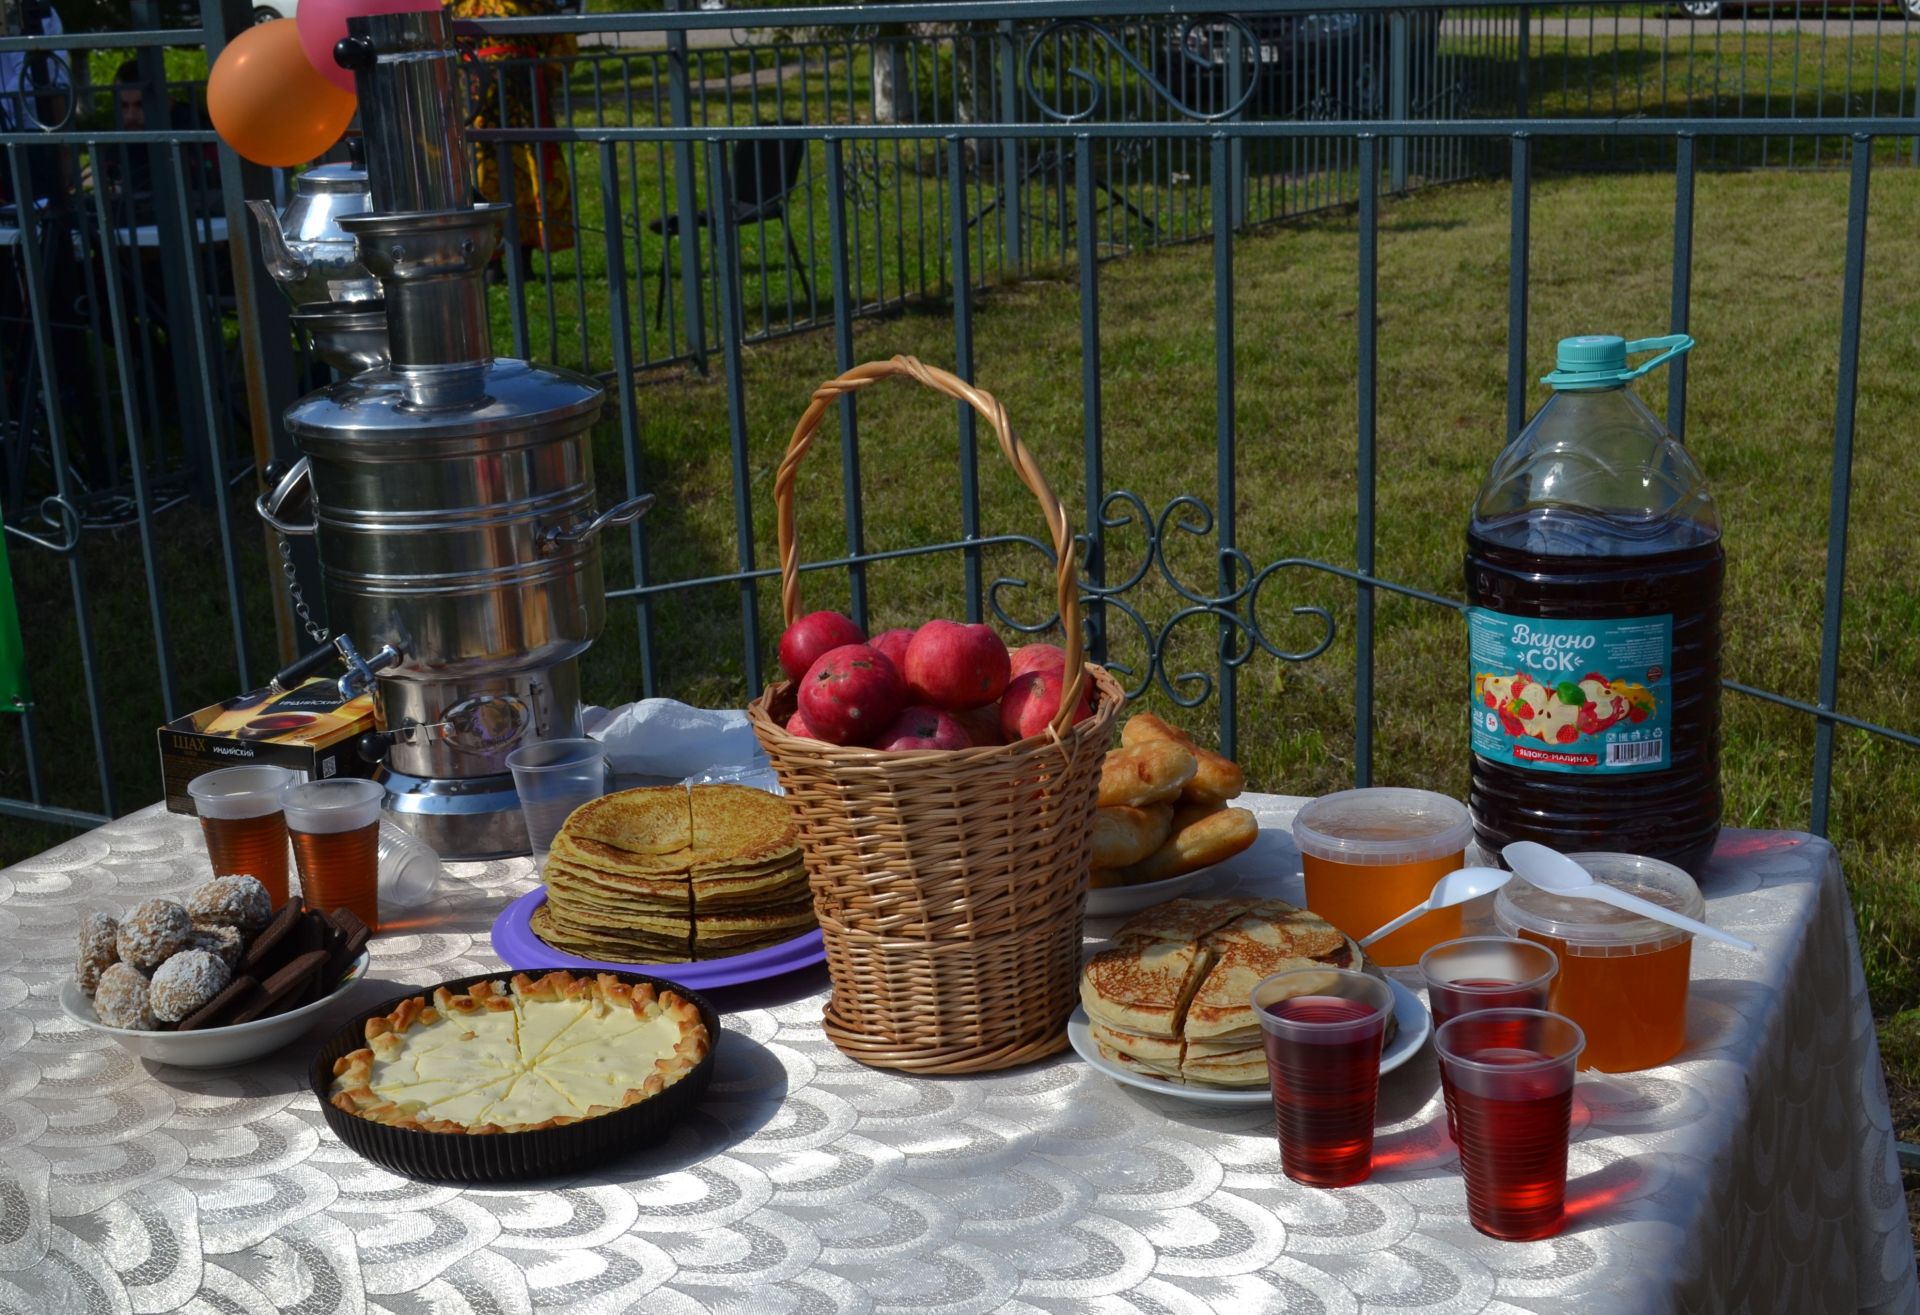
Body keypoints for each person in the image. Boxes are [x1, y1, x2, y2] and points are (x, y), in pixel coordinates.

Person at [446, 0, 576, 280]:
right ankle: (491, 260)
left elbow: (561, 42)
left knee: (525, 172)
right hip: (488, 96)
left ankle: (519, 259)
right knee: (485, 173)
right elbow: (562, 47)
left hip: (509, 95)